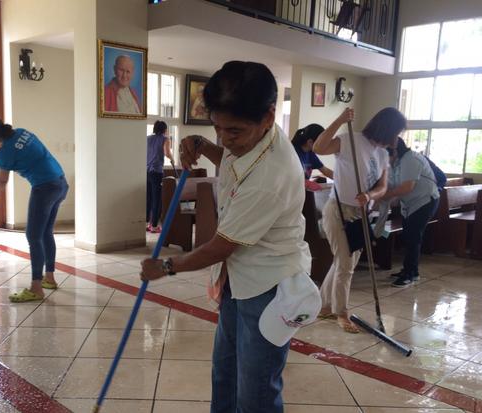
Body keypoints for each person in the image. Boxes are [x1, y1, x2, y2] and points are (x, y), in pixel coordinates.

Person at [140, 61, 320, 412]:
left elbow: (222, 246)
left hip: (270, 286)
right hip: (240, 279)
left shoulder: (273, 175)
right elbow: (236, 159)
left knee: (255, 394)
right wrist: (204, 145)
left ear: (268, 116)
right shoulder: (254, 142)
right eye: (217, 127)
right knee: (225, 375)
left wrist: (166, 266)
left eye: (233, 131)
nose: (225, 138)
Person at [313, 107, 404, 333]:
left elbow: (382, 186)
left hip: (361, 213)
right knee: (345, 265)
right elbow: (319, 147)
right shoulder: (350, 140)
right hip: (339, 211)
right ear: (386, 129)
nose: (396, 139)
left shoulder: (382, 154)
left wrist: (369, 195)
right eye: (395, 132)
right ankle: (341, 313)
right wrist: (340, 119)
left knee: (345, 263)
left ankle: (324, 306)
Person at [0, 115, 68, 303]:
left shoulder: (5, 153)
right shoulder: (21, 132)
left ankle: (36, 288)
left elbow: (2, 181)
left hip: (44, 187)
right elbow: (17, 156)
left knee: (33, 236)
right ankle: (49, 278)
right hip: (60, 182)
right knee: (45, 232)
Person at [382, 137, 440, 288]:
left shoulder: (411, 159)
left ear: (394, 150)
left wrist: (385, 195)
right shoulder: (396, 163)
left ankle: (410, 274)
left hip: (424, 201)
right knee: (409, 236)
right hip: (410, 204)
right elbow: (394, 185)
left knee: (413, 236)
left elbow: (407, 187)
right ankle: (410, 270)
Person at [146, 120, 174, 234]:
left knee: (148, 197)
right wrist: (172, 159)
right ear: (164, 129)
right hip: (157, 171)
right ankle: (154, 226)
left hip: (146, 171)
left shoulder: (148, 138)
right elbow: (167, 153)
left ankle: (147, 223)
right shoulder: (165, 139)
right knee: (157, 199)